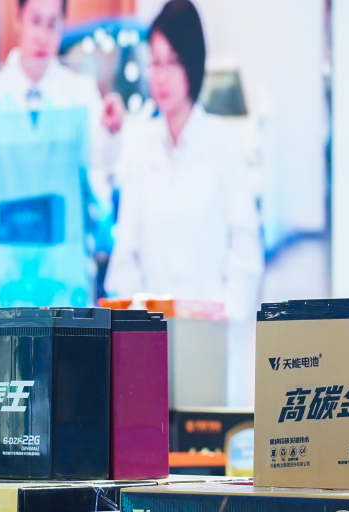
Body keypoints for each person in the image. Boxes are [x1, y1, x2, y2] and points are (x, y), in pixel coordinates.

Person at [105, 0, 262, 404]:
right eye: (155, 62)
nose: (161, 76)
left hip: (212, 346)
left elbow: (246, 255)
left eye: (172, 62)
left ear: (192, 64)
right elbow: (125, 258)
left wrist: (217, 317)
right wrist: (142, 324)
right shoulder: (141, 151)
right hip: (150, 349)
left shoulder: (224, 146)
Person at [0, 0, 126, 189]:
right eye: (36, 21)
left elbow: (102, 157)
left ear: (63, 25)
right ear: (18, 18)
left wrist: (111, 130)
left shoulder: (80, 91)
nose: (43, 37)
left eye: (52, 24)